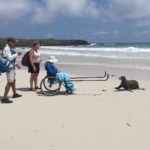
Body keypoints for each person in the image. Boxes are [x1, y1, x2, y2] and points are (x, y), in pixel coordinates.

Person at [1, 37, 22, 103]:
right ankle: (4, 97)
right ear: (9, 42)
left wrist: (16, 65)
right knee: (10, 82)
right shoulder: (7, 48)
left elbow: (10, 59)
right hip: (9, 67)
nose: (14, 44)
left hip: (11, 66)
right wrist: (17, 54)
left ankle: (14, 93)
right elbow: (10, 58)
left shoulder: (9, 48)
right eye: (13, 42)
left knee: (13, 81)